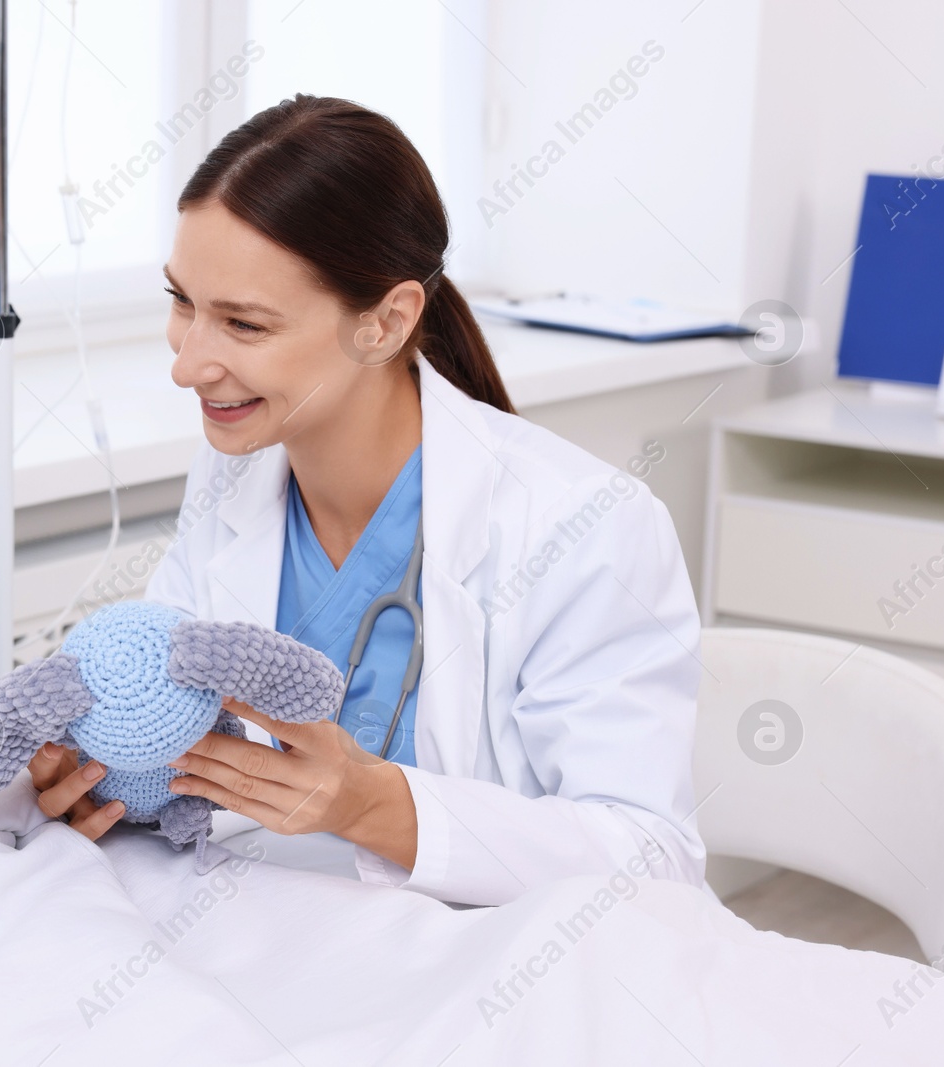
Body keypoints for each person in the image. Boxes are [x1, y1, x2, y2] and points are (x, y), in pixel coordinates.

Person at [40, 94, 706, 907]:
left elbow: (651, 858)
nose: (188, 364)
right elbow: (178, 752)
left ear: (386, 323)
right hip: (281, 939)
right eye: (184, 303)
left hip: (498, 971)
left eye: (244, 324)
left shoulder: (582, 524)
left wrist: (374, 805)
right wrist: (101, 775)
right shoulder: (230, 478)